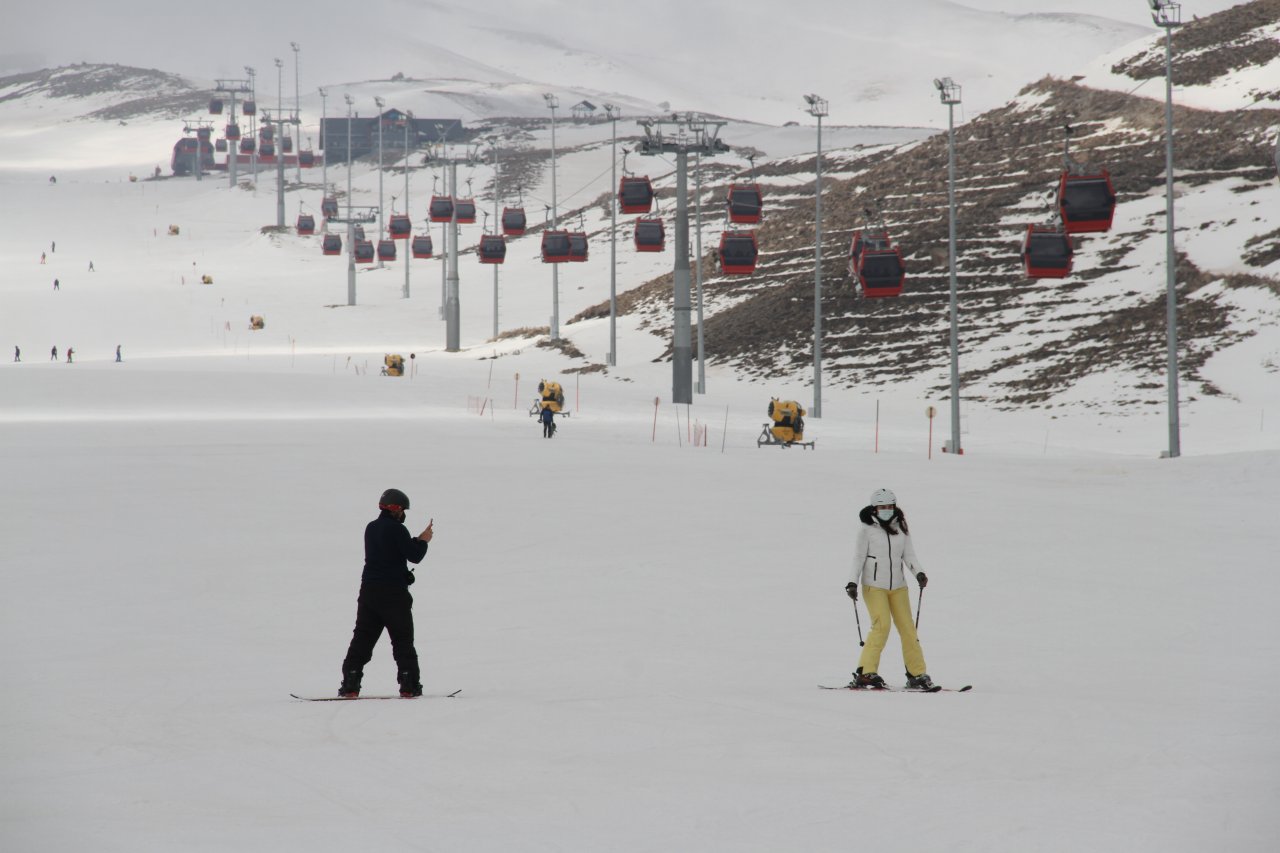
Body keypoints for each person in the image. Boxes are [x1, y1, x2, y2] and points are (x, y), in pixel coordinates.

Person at [339, 488, 434, 698]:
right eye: (403, 510)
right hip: (393, 594)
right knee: (402, 640)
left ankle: (350, 684)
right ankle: (409, 685)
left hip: (369, 592)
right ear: (397, 509)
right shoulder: (398, 530)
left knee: (362, 639)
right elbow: (414, 556)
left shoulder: (371, 528)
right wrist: (424, 539)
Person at [844, 487, 932, 690]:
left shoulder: (901, 526)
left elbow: (909, 555)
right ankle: (866, 672)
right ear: (874, 509)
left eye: (890, 506)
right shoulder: (866, 530)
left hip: (899, 587)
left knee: (908, 629)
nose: (887, 510)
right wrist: (852, 583)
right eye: (882, 507)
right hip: (874, 587)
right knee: (882, 626)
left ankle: (917, 673)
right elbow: (858, 558)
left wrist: (918, 572)